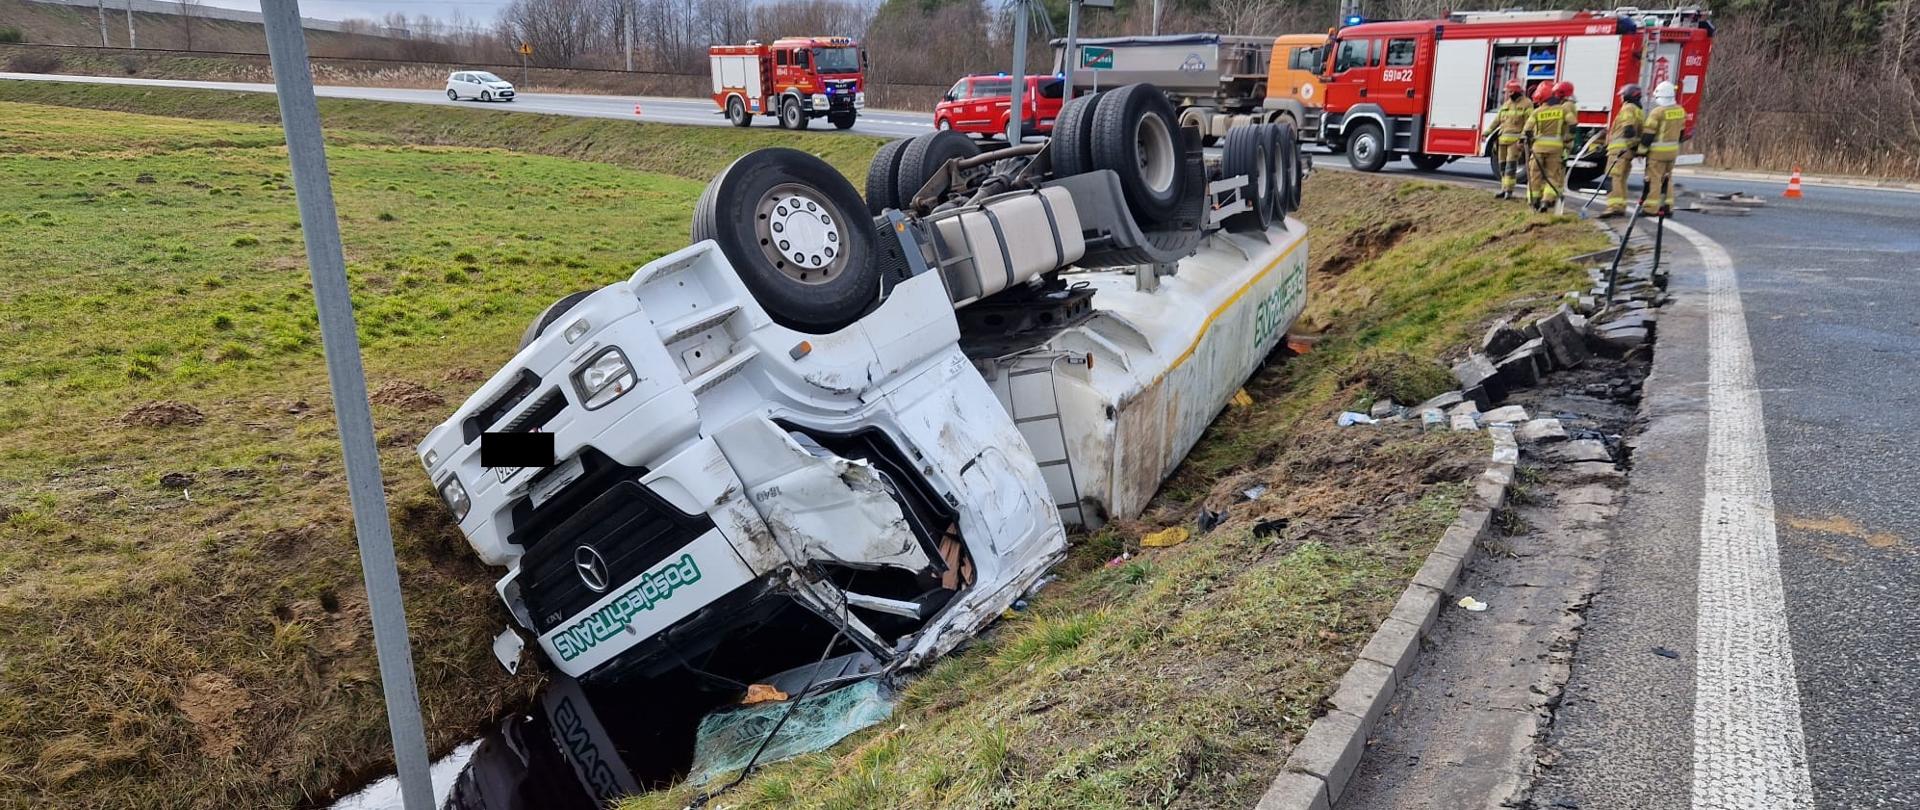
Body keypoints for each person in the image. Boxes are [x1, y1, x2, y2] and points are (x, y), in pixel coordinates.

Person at [1524, 80, 1576, 212]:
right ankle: (1546, 201)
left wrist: (1530, 141)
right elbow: (1573, 124)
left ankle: (1533, 201)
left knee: (1534, 175)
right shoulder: (1563, 110)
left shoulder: (1537, 112)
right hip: (1556, 148)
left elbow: (1527, 130)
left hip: (1538, 148)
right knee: (1552, 176)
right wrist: (1567, 138)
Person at [1641, 80, 1686, 216]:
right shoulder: (1680, 111)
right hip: (1672, 153)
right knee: (1668, 178)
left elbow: (1648, 135)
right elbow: (1682, 133)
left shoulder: (1657, 112)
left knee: (1654, 179)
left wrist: (1641, 151)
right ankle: (1667, 207)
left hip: (1657, 154)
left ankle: (1651, 209)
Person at [1601, 84, 1645, 217]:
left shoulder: (1627, 108)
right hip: (1628, 152)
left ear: (1627, 95)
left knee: (1613, 178)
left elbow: (1628, 129)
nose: (1620, 97)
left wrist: (1625, 145)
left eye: (1622, 95)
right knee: (1621, 179)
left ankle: (1614, 207)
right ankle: (1620, 206)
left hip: (1618, 151)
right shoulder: (1639, 111)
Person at [1485, 80, 1532, 199]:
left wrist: (1523, 138)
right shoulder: (1507, 104)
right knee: (1502, 166)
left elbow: (1529, 123)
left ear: (1514, 91)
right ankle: (1503, 189)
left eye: (1509, 92)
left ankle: (1509, 191)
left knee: (1510, 167)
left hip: (1515, 142)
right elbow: (1497, 120)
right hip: (1502, 141)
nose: (1507, 94)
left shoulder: (1527, 104)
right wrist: (1488, 132)